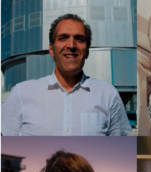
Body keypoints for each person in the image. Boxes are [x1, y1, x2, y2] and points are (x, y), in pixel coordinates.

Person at [1, 14, 132, 136]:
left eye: (79, 39)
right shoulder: (21, 94)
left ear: (87, 51)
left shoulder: (108, 95)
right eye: (63, 38)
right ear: (51, 49)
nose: (71, 45)